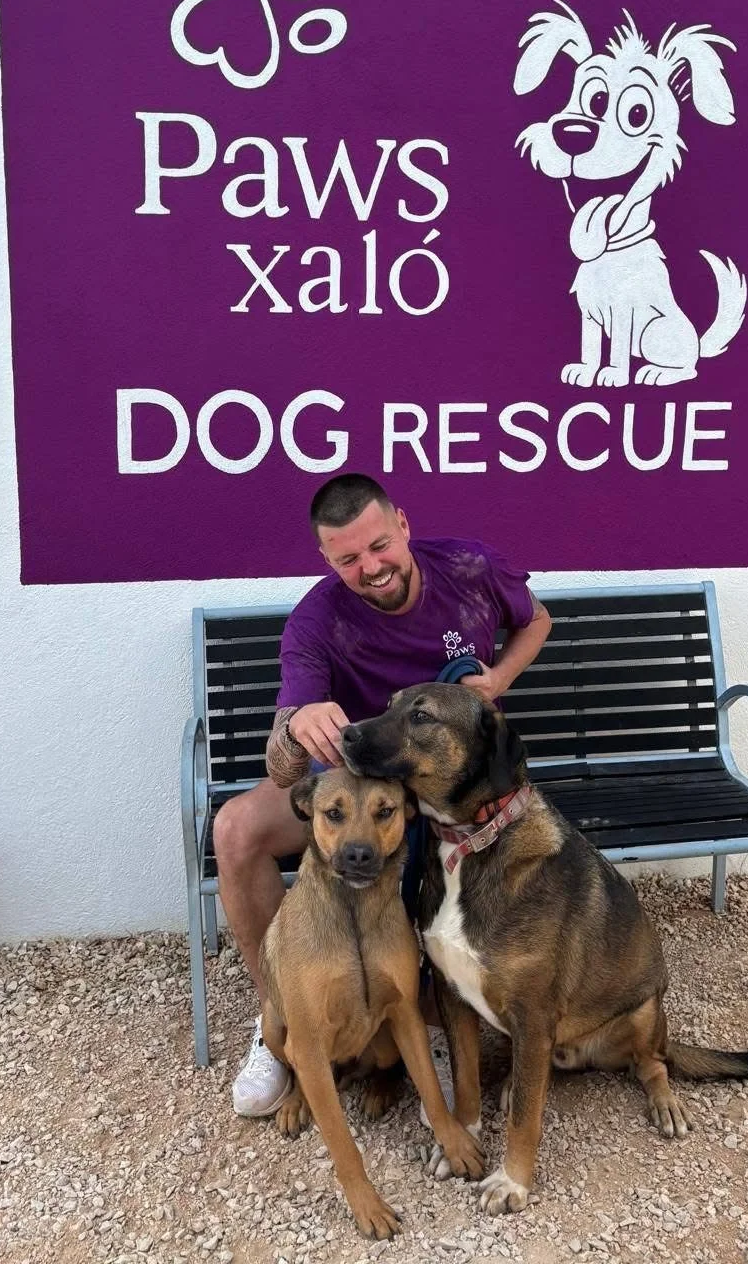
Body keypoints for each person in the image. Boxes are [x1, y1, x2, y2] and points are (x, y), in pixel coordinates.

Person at [213, 472, 552, 1117]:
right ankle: (276, 1018)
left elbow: (536, 620)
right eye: (347, 559)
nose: (369, 567)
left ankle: (458, 1028)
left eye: (378, 546)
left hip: (458, 780)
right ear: (326, 559)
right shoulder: (316, 621)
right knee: (237, 829)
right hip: (361, 782)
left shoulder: (469, 568)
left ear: (402, 523)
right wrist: (298, 724)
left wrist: (498, 677)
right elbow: (284, 764)